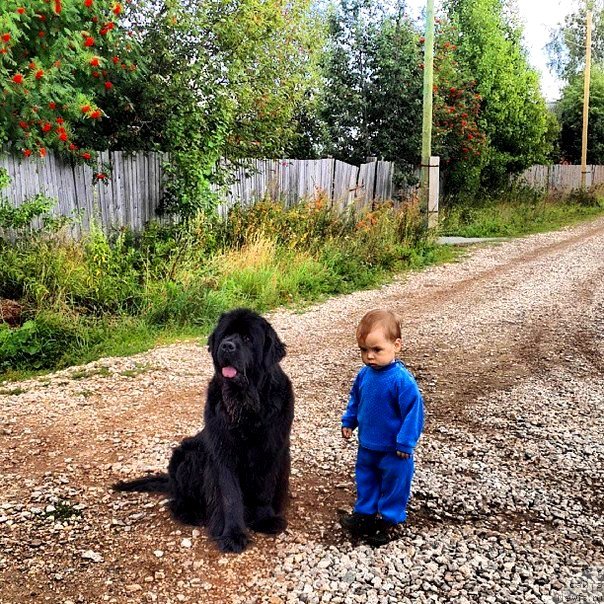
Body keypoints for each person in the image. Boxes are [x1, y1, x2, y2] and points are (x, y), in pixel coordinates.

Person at [340, 309, 424, 546]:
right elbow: (356, 400)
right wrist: (349, 420)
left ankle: (390, 521)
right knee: (366, 478)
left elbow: (414, 413)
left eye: (377, 350)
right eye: (364, 351)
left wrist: (406, 442)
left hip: (394, 450)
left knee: (394, 484)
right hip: (367, 445)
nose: (369, 356)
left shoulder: (401, 380)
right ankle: (365, 515)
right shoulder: (364, 375)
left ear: (396, 345)